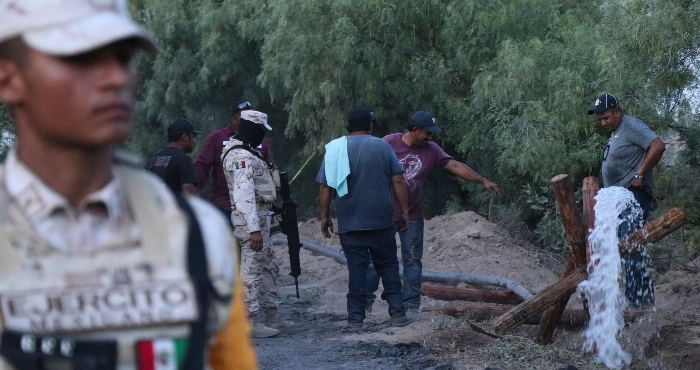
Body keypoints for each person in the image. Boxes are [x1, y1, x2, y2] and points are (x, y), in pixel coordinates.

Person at [0, 1, 256, 369]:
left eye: (123, 57)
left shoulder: (197, 234)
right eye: (81, 57)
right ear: (9, 79)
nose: (117, 78)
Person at [365, 111, 501, 312]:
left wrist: (482, 180)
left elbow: (455, 166)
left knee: (412, 259)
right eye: (427, 133)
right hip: (384, 213)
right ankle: (365, 301)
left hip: (412, 215)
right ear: (414, 130)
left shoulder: (432, 150)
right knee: (375, 258)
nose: (430, 137)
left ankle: (411, 303)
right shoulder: (388, 143)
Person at [316, 106, 413, 333]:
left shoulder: (334, 149)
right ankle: (398, 314)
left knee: (357, 269)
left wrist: (324, 216)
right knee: (388, 264)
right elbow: (398, 179)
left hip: (350, 222)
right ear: (370, 125)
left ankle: (355, 320)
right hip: (381, 220)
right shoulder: (381, 145)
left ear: (348, 125)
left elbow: (325, 185)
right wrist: (405, 211)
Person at [588, 93, 666, 307]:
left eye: (606, 118)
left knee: (631, 243)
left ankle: (638, 300)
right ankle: (637, 296)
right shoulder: (617, 132)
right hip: (619, 199)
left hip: (632, 196)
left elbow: (658, 145)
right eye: (600, 120)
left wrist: (639, 174)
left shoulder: (631, 125)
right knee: (621, 245)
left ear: (617, 111)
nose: (603, 122)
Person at [222, 109, 292, 338]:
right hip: (251, 222)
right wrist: (254, 230)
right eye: (261, 131)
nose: (263, 135)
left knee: (269, 267)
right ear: (252, 128)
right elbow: (244, 196)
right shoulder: (242, 157)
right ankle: (249, 323)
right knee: (251, 273)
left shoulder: (248, 153)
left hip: (261, 219)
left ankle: (273, 315)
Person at [195, 101, 274, 220]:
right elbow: (201, 167)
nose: (249, 118)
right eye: (245, 116)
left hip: (256, 206)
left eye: (251, 115)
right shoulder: (217, 138)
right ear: (234, 119)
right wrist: (194, 196)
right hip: (224, 206)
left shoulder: (261, 140)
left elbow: (271, 167)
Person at [147, 118, 201, 195]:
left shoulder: (155, 157)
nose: (194, 141)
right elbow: (189, 193)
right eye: (193, 137)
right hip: (174, 206)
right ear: (185, 137)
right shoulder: (183, 160)